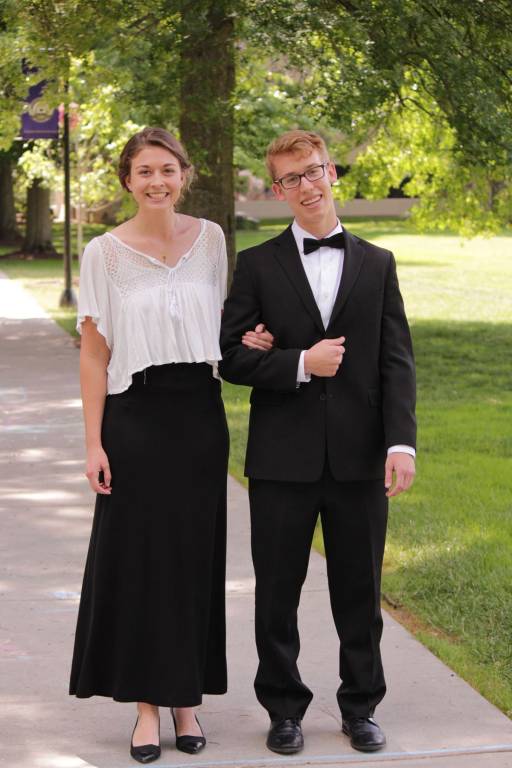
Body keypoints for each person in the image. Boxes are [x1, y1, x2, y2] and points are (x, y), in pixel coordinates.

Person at [69, 126, 273, 764]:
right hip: (134, 420)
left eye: (167, 170)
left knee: (192, 562)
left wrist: (249, 342)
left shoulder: (210, 240)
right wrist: (94, 443)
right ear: (128, 181)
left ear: (184, 175)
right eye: (144, 171)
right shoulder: (103, 253)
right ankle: (146, 709)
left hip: (199, 420)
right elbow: (94, 355)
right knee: (140, 565)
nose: (157, 181)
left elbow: (219, 327)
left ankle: (187, 699)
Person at [219, 129, 416, 755]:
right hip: (282, 458)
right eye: (290, 179)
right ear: (277, 191)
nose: (305, 186)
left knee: (359, 593)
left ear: (331, 173)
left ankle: (361, 706)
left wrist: (401, 444)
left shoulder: (378, 263)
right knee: (276, 593)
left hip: (361, 457)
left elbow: (396, 361)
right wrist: (299, 361)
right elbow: (230, 358)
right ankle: (283, 709)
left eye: (312, 171)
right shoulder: (257, 264)